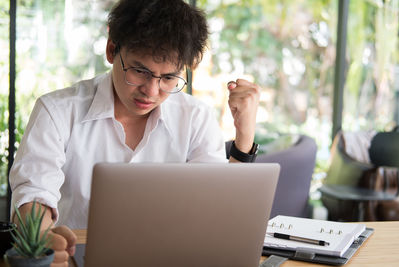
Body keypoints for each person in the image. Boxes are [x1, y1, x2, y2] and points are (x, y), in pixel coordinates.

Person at [9, 0, 260, 266]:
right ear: (111, 50)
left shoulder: (196, 117)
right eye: (140, 71)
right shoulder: (57, 110)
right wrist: (41, 238)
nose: (151, 91)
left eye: (168, 78)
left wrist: (244, 137)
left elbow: (218, 209)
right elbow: (34, 192)